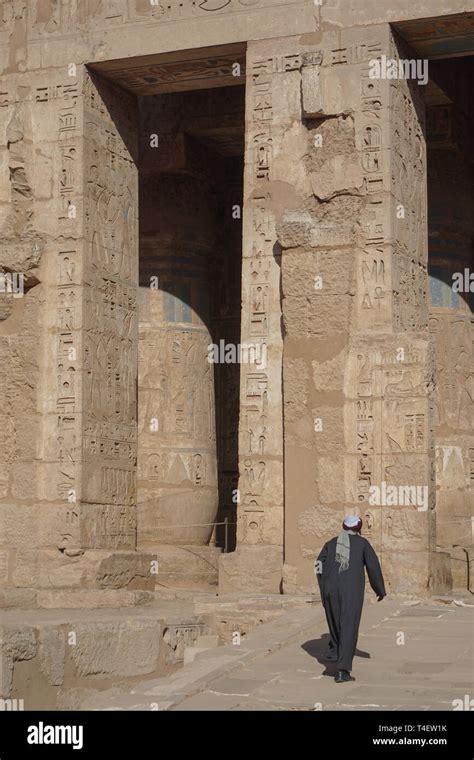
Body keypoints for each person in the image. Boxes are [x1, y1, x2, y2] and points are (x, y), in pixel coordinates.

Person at [314, 515, 386, 683]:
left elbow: (318, 565)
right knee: (348, 626)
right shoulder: (362, 544)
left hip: (330, 590)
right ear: (358, 528)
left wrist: (324, 586)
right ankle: (342, 670)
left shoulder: (331, 543)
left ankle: (336, 653)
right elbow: (373, 567)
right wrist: (379, 590)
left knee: (335, 623)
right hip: (350, 591)